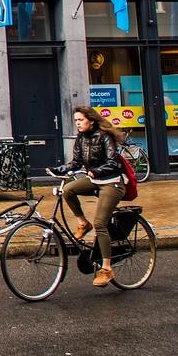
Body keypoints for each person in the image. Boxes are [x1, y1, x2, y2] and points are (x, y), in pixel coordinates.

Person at [54, 106, 126, 287]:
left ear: (91, 120)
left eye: (80, 120)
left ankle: (107, 269)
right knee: (68, 190)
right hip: (95, 179)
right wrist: (58, 170)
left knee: (101, 223)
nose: (77, 123)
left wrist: (95, 171)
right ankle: (82, 223)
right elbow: (76, 162)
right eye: (76, 120)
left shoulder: (104, 136)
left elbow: (113, 163)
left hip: (112, 182)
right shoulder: (81, 137)